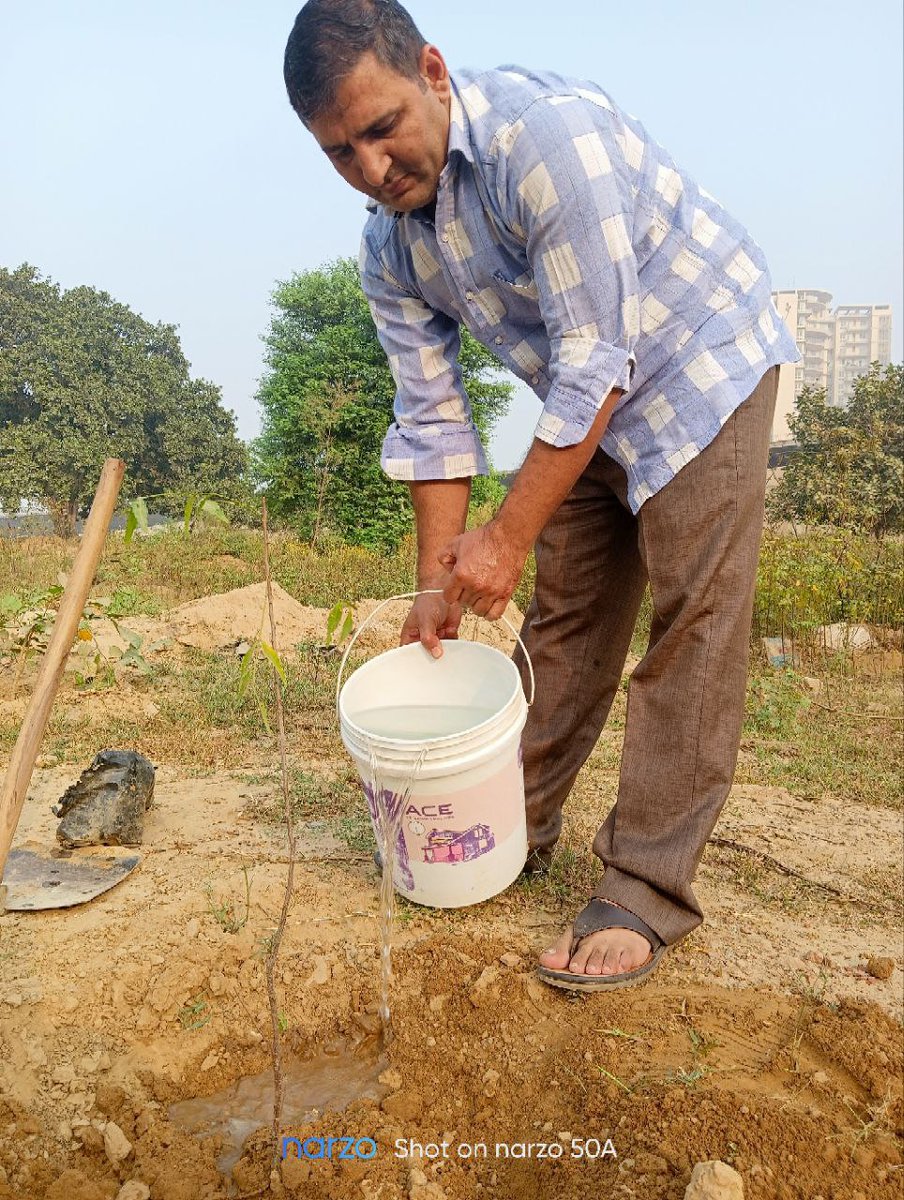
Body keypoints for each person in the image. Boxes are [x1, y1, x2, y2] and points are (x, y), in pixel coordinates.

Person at [283, 0, 799, 990]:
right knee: (562, 619)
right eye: (341, 152)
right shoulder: (391, 248)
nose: (373, 168)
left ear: (432, 72)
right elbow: (433, 421)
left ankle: (647, 889)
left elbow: (599, 358)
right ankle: (507, 824)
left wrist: (506, 534)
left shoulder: (544, 138)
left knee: (691, 620)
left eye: (382, 128)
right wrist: (438, 579)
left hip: (700, 365)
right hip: (586, 397)